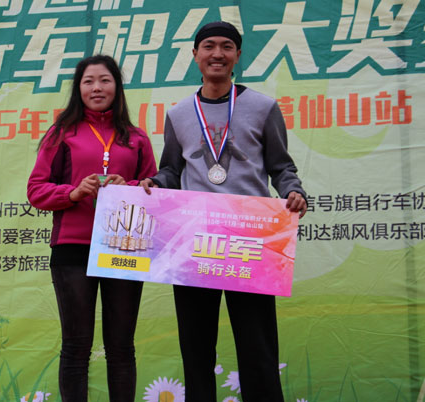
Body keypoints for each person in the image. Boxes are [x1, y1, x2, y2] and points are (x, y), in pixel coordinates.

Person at [140, 21, 307, 402]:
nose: (217, 53)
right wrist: (157, 183)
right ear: (195, 55)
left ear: (237, 55)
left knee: (257, 344)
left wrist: (293, 191)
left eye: (227, 46)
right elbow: (171, 170)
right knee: (196, 344)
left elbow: (281, 167)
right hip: (195, 240)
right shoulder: (179, 113)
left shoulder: (263, 107)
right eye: (209, 46)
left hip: (252, 239)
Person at [27, 54, 157, 402]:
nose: (97, 88)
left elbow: (154, 189)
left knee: (121, 347)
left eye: (105, 80)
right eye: (88, 81)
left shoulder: (137, 138)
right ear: (79, 88)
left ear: (117, 86)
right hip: (73, 247)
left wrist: (130, 187)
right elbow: (36, 190)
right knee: (76, 347)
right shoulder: (61, 133)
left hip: (124, 246)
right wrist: (73, 192)